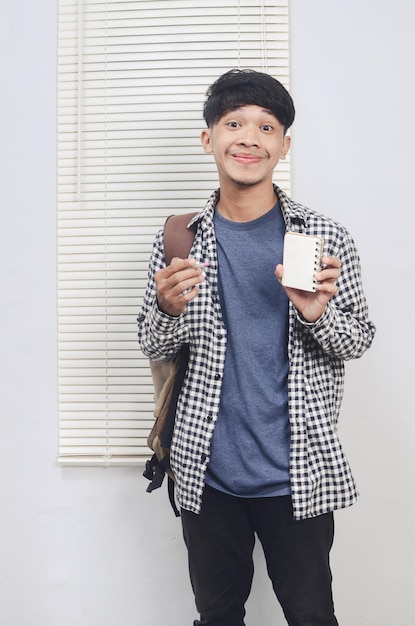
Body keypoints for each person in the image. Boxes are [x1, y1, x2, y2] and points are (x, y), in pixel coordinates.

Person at [137, 69, 376, 626]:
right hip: (206, 472)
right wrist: (168, 310)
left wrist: (316, 313)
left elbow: (358, 338)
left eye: (266, 126)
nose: (249, 138)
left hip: (298, 473)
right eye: (234, 123)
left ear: (283, 145)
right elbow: (150, 342)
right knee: (217, 618)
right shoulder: (180, 236)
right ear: (209, 139)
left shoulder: (321, 236)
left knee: (313, 616)